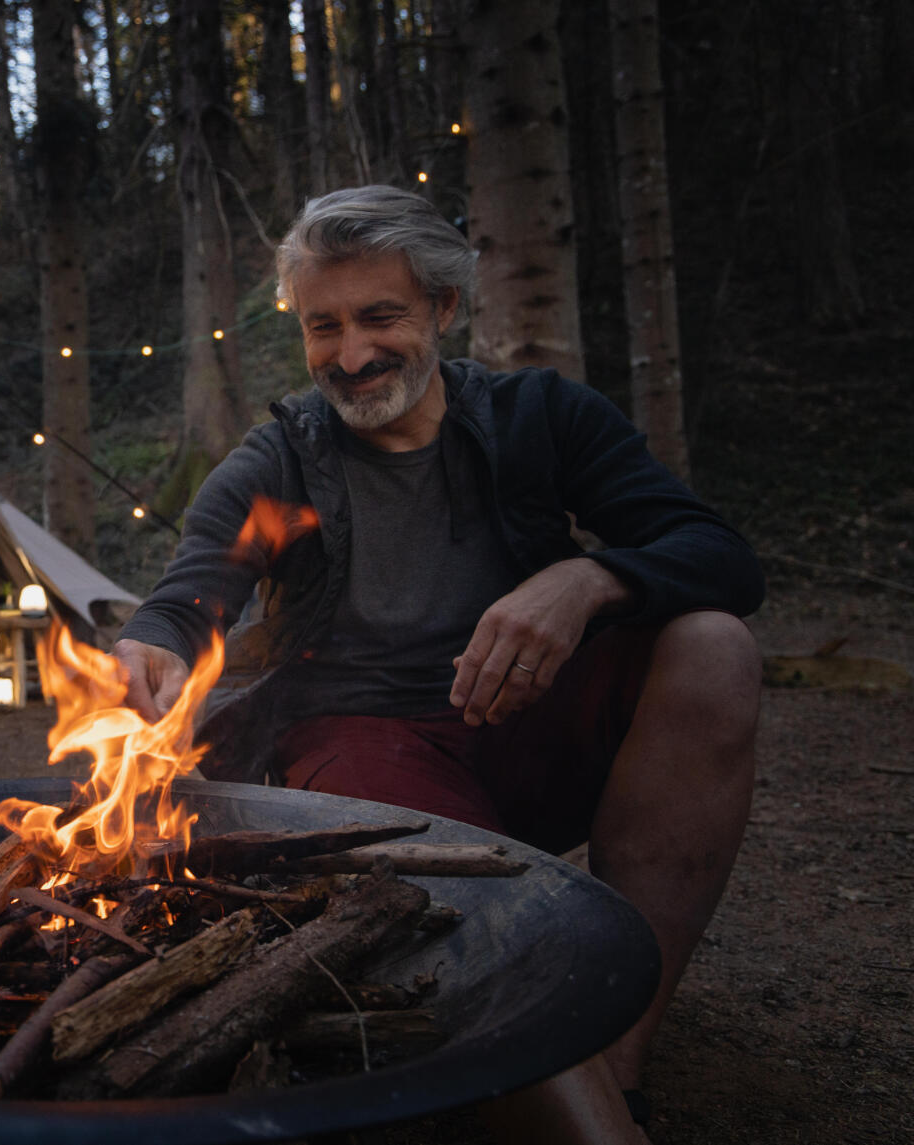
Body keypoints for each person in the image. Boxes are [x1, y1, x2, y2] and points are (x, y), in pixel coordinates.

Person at [113, 185, 763, 1144]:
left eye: (381, 316)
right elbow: (192, 590)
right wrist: (155, 641)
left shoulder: (541, 417)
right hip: (362, 744)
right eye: (322, 326)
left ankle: (621, 1052)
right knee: (468, 895)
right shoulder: (281, 456)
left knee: (714, 644)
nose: (351, 354)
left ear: (444, 310)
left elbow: (721, 557)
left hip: (528, 724)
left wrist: (587, 580)